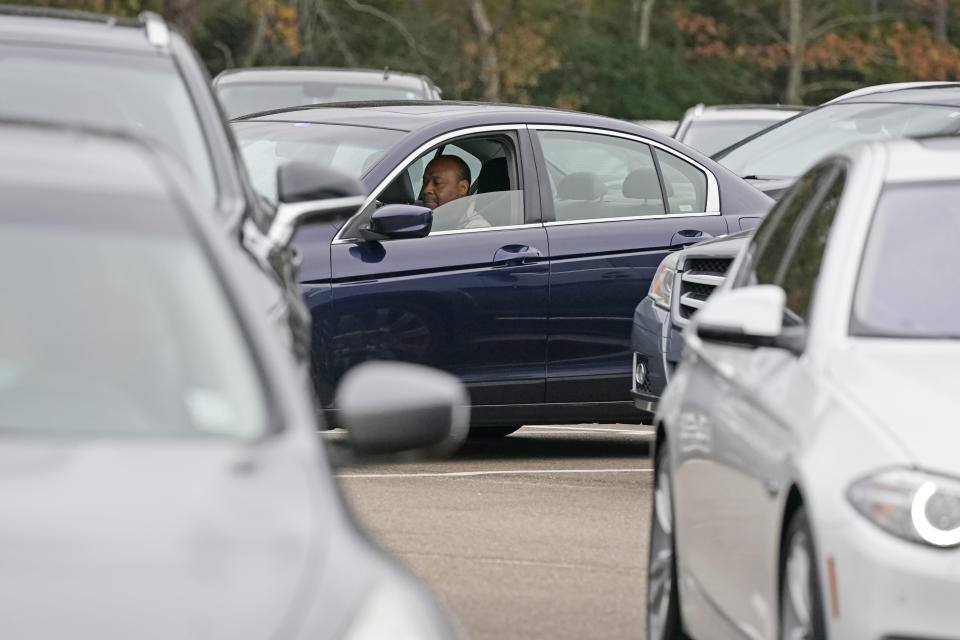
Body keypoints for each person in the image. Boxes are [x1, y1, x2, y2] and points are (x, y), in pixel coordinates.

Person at [419, 154, 490, 231]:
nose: (426, 190)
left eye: (437, 183)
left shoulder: (476, 232)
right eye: (425, 182)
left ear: (462, 188)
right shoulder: (422, 218)